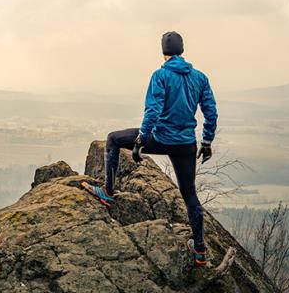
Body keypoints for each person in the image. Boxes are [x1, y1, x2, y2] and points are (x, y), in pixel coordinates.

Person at [82, 31, 218, 266]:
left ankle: (108, 192)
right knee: (190, 195)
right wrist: (206, 142)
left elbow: (152, 111)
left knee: (113, 139)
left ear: (163, 51)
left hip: (160, 139)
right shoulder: (200, 78)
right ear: (182, 50)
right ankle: (200, 250)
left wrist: (141, 140)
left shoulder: (160, 76)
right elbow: (211, 112)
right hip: (186, 144)